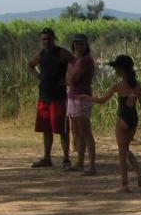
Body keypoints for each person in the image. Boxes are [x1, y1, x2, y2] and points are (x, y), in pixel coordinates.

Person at [89, 54, 141, 192]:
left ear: (121, 70)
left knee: (122, 153)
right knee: (125, 149)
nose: (115, 71)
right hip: (133, 120)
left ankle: (124, 184)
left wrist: (87, 98)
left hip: (123, 119)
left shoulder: (118, 86)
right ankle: (140, 174)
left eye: (116, 68)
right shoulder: (136, 85)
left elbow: (102, 100)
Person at [27, 27, 72, 169]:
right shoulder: (41, 54)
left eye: (48, 39)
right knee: (46, 129)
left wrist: (68, 80)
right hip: (44, 97)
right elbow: (30, 65)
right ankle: (47, 158)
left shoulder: (62, 53)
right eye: (43, 39)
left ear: (54, 38)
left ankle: (66, 159)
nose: (46, 42)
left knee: (62, 130)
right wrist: (38, 77)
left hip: (59, 97)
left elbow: (76, 63)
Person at [66, 33, 97, 175]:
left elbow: (71, 79)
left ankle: (91, 166)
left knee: (85, 132)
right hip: (73, 96)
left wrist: (69, 76)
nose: (78, 46)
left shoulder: (85, 60)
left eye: (81, 44)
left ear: (86, 45)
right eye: (76, 43)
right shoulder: (76, 61)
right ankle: (79, 161)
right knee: (76, 132)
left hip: (81, 98)